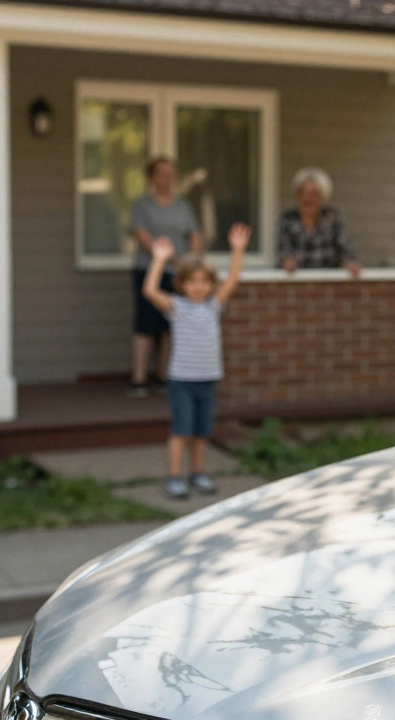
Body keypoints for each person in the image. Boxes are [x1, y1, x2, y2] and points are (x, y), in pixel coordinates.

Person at [142, 223, 250, 500]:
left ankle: (198, 473)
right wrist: (158, 260)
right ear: (182, 284)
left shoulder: (213, 305)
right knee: (181, 431)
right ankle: (174, 477)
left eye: (204, 281)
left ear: (211, 284)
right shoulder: (177, 307)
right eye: (192, 281)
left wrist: (237, 251)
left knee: (202, 433)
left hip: (208, 378)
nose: (198, 287)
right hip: (182, 381)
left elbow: (233, 279)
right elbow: (150, 292)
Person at [128, 156, 203, 399]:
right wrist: (167, 258)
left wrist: (193, 261)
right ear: (152, 177)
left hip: (179, 274)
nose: (167, 179)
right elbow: (142, 235)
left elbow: (194, 234)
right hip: (148, 271)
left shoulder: (183, 205)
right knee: (146, 323)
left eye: (171, 174)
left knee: (171, 324)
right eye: (162, 174)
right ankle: (139, 379)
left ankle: (163, 376)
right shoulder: (142, 205)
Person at [276, 167, 361, 276]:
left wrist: (349, 263)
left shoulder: (332, 218)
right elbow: (283, 251)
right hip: (297, 284)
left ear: (323, 197)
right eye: (304, 193)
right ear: (297, 196)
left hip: (328, 283)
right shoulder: (287, 220)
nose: (308, 199)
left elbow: (345, 249)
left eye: (314, 194)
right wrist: (287, 262)